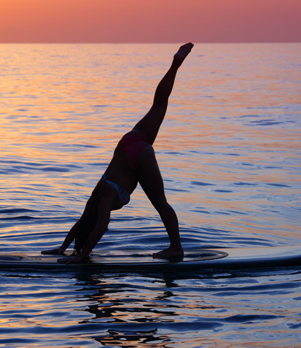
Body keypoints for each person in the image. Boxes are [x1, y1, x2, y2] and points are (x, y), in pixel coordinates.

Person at [43, 43, 194, 264]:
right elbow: (83, 223)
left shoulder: (100, 201)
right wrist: (62, 248)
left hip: (138, 157)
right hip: (128, 142)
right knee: (159, 104)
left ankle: (176, 248)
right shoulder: (95, 197)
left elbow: (100, 226)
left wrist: (79, 256)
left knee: (161, 203)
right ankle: (176, 64)